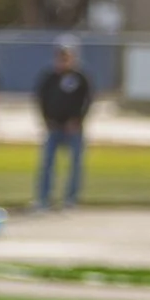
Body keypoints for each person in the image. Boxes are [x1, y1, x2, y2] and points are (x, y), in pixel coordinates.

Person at [34, 35, 93, 211]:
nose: (64, 59)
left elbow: (87, 100)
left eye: (67, 55)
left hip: (73, 128)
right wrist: (46, 120)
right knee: (47, 163)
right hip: (54, 127)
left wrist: (78, 120)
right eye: (61, 55)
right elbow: (40, 99)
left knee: (75, 164)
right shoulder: (49, 77)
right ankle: (43, 198)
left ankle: (71, 199)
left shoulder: (81, 77)